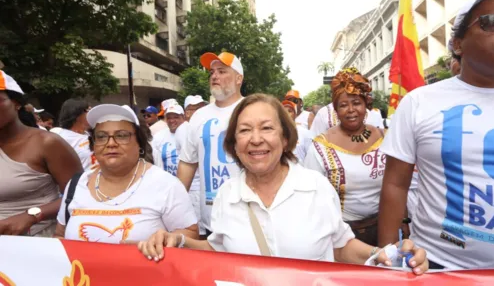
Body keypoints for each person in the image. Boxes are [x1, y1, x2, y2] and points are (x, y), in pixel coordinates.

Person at [137, 94, 429, 275]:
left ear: (286, 138)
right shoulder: (227, 194)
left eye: (267, 128)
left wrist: (385, 255)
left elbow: (340, 247)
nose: (255, 139)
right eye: (244, 130)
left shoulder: (315, 186)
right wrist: (178, 240)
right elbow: (220, 249)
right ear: (234, 144)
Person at [378, 0, 494, 270]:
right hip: (437, 267)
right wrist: (389, 262)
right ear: (457, 43)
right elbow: (396, 185)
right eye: (493, 22)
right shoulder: (419, 102)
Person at [54, 104, 198, 243]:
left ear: (139, 144)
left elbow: (190, 235)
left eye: (122, 136)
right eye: (102, 136)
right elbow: (60, 235)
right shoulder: (77, 184)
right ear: (93, 145)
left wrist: (166, 241)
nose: (111, 143)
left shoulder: (166, 185)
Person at [303, 68, 384, 246]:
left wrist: (402, 220)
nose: (351, 110)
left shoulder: (384, 138)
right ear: (335, 110)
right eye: (343, 105)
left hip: (383, 229)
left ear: (366, 105)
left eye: (356, 103)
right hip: (339, 236)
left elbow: (398, 185)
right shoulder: (320, 147)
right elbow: (310, 197)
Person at [0, 70, 82, 236]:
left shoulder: (47, 143)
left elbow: (81, 195)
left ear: (16, 103)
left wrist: (32, 215)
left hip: (36, 243)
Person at [177, 51, 245, 239]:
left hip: (248, 218)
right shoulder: (199, 116)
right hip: (211, 223)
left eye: (222, 71)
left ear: (239, 78)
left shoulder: (250, 109)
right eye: (212, 72)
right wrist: (174, 205)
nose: (214, 76)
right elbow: (187, 163)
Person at [183, 95, 208, 226]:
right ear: (186, 112)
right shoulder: (185, 130)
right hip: (192, 189)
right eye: (195, 108)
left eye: (201, 107)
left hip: (206, 188)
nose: (201, 110)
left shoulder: (205, 126)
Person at [54, 99, 97, 171]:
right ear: (77, 114)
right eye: (89, 111)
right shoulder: (61, 138)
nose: (93, 114)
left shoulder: (88, 133)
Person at [152, 104, 187, 176]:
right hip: (167, 182)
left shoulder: (191, 134)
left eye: (176, 117)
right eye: (168, 118)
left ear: (183, 117)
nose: (171, 120)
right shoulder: (158, 137)